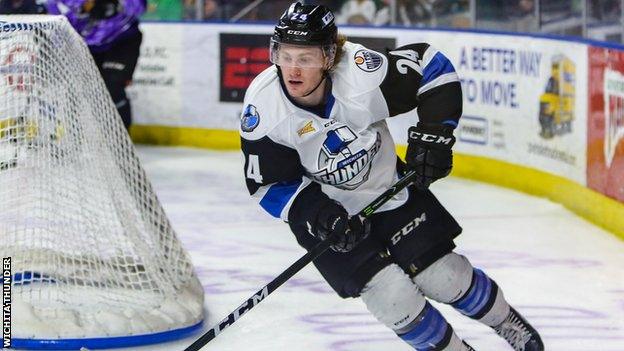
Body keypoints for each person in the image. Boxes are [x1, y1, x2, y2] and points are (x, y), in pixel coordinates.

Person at [239, 2, 544, 350]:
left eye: (305, 58)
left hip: (387, 189)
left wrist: (435, 134)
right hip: (329, 217)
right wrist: (318, 216)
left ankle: (507, 322)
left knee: (444, 277)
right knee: (393, 299)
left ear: (327, 57)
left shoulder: (360, 75)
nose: (292, 69)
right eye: (284, 55)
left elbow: (433, 66)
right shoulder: (264, 109)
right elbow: (269, 185)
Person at [46, 0, 146, 130]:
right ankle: (80, 136)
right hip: (88, 44)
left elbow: (139, 7)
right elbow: (58, 15)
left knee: (113, 86)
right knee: (80, 90)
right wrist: (82, 7)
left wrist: (116, 4)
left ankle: (122, 142)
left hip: (123, 39)